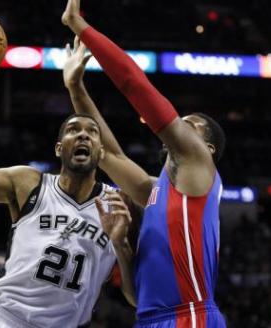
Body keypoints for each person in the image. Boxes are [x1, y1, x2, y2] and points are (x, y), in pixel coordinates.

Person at [0, 67, 135, 327]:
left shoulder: (117, 205)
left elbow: (136, 299)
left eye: (92, 131)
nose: (82, 134)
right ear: (59, 149)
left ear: (101, 151)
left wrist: (122, 245)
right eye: (73, 130)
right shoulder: (29, 184)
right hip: (2, 320)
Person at [62, 1, 227, 327]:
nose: (179, 124)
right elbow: (107, 154)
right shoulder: (156, 191)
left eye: (190, 125)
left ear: (206, 148)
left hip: (190, 318)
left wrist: (80, 27)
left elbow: (134, 83)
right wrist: (76, 88)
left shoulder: (198, 164)